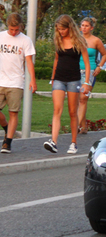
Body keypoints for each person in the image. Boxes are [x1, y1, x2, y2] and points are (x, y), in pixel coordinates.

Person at [44, 15, 91, 155]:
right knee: (57, 110)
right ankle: (53, 142)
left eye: (63, 29)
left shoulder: (79, 41)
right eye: (59, 29)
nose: (61, 32)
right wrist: (52, 78)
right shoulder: (58, 39)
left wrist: (86, 82)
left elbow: (87, 64)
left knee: (72, 112)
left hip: (74, 80)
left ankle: (73, 143)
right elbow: (56, 59)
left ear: (69, 27)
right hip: (59, 79)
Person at [0, 13, 37, 154]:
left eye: (17, 29)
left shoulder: (25, 40)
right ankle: (6, 127)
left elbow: (28, 61)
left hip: (16, 82)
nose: (14, 32)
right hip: (1, 80)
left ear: (21, 26)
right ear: (7, 26)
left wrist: (32, 80)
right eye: (11, 29)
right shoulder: (1, 36)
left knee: (13, 112)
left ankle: (7, 143)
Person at [77, 17, 106, 134]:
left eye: (86, 26)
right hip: (76, 70)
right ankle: (83, 126)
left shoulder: (96, 41)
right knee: (78, 99)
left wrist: (99, 66)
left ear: (91, 28)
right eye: (82, 25)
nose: (84, 28)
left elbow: (104, 54)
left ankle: (78, 125)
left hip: (89, 71)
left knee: (83, 98)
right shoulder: (77, 39)